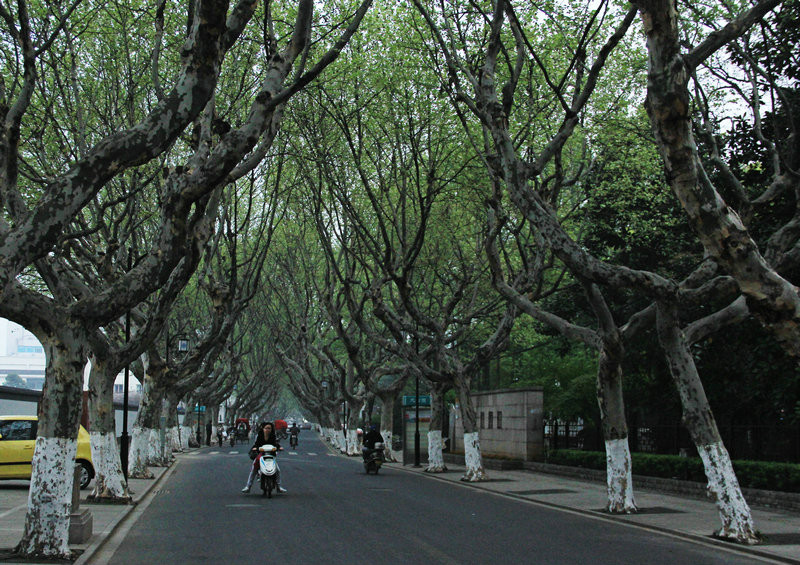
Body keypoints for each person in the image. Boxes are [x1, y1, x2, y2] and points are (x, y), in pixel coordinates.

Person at [241, 421, 287, 494]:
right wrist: (255, 448)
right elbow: (256, 444)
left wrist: (279, 447)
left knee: (277, 470)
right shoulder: (259, 436)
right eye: (266, 428)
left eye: (269, 428)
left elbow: (275, 444)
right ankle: (248, 486)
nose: (268, 430)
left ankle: (279, 486)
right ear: (263, 428)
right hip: (261, 454)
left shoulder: (273, 436)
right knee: (254, 469)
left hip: (271, 455)